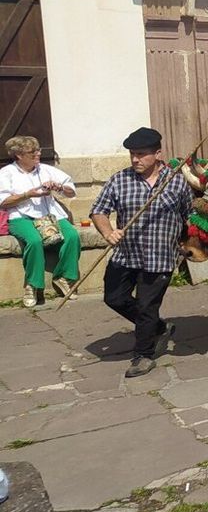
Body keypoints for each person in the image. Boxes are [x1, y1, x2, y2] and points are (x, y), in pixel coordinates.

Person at [90, 127, 192, 378]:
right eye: (132, 154)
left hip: (159, 257)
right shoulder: (119, 179)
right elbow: (98, 211)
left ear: (158, 154)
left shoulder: (176, 180)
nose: (135, 159)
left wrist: (187, 242)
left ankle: (143, 355)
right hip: (126, 254)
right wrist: (107, 232)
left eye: (141, 154)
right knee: (114, 298)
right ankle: (159, 327)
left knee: (147, 307)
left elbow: (190, 215)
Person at [0, 136, 81, 307]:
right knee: (34, 241)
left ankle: (64, 277)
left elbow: (71, 191)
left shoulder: (45, 169)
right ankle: (33, 285)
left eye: (38, 150)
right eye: (32, 152)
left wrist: (59, 187)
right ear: (19, 155)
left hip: (50, 216)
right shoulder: (6, 173)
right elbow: (4, 202)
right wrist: (27, 195)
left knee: (72, 235)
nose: (38, 154)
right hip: (21, 217)